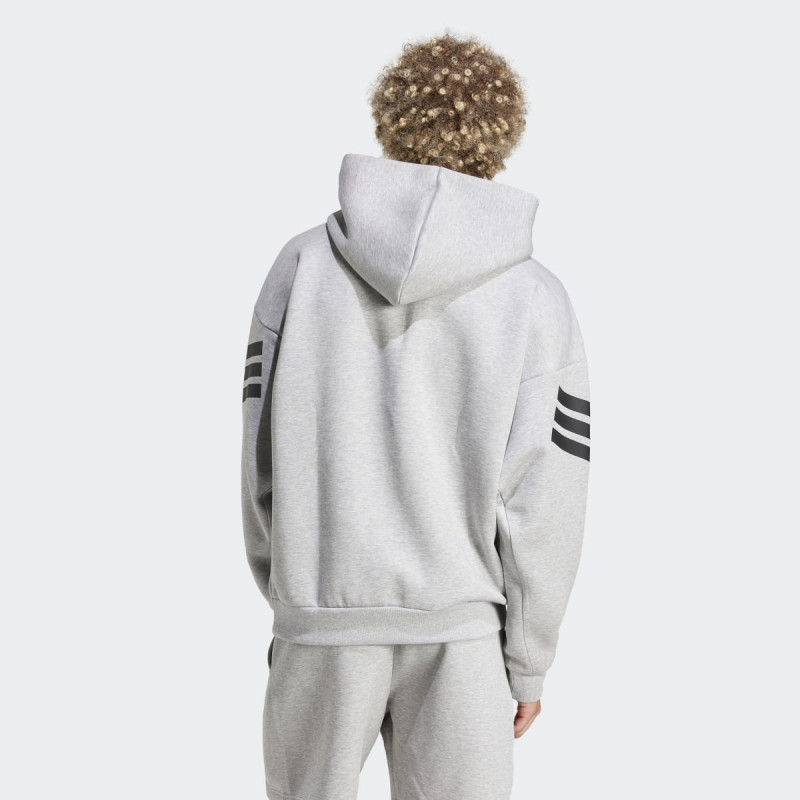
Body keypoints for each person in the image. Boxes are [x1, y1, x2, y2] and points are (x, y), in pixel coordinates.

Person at [240, 31, 591, 800]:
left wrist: (295, 600)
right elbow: (545, 500)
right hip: (461, 637)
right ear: (501, 132)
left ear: (391, 117)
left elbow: (260, 459)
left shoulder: (300, 266)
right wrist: (529, 657)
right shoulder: (536, 299)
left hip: (322, 619)